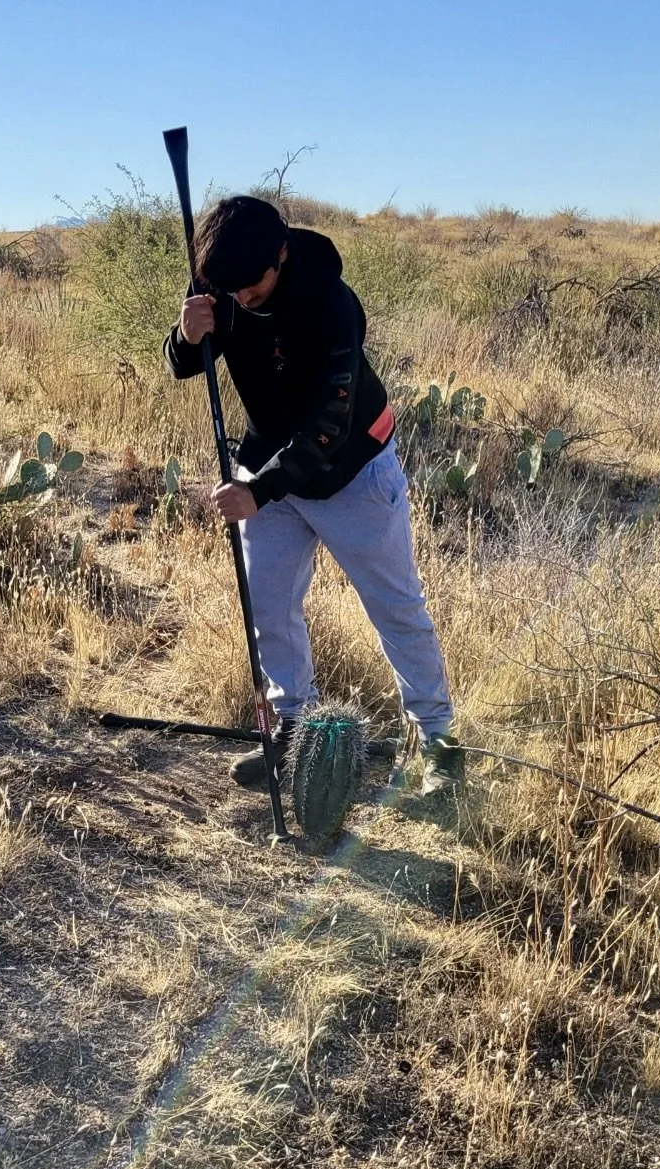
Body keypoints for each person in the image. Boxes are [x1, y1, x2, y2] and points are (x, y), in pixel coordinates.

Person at [164, 195, 463, 797]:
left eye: (251, 287)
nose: (240, 299)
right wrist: (185, 336)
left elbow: (329, 426)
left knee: (395, 608)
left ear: (280, 254)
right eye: (229, 291)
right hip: (268, 467)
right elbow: (186, 363)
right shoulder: (225, 281)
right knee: (269, 605)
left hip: (352, 471)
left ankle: (438, 745)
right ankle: (294, 731)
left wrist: (259, 492)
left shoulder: (330, 303)